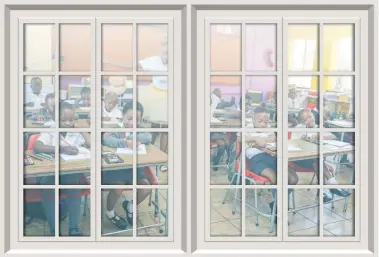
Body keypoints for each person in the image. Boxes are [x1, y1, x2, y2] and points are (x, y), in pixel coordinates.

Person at [33, 102, 91, 236]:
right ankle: (54, 230)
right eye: (63, 120)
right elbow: (37, 147)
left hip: (69, 174)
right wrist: (62, 149)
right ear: (54, 118)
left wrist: (81, 129)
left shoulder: (74, 132)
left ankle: (73, 228)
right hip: (49, 174)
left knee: (74, 186)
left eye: (71, 120)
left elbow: (90, 143)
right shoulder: (50, 130)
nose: (67, 123)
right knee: (48, 187)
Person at [102, 101, 153, 229]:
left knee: (146, 188)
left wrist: (137, 139)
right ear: (122, 116)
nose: (132, 123)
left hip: (134, 169)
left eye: (136, 120)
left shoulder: (139, 130)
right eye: (129, 118)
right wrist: (125, 142)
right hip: (117, 168)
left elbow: (149, 137)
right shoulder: (116, 128)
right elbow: (106, 139)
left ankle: (130, 205)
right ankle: (110, 213)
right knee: (117, 188)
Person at [293, 109, 351, 202]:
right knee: (318, 160)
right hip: (299, 160)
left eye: (310, 116)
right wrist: (303, 137)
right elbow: (294, 143)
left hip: (314, 160)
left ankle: (323, 192)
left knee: (317, 160)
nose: (309, 120)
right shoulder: (298, 128)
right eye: (305, 119)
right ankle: (333, 186)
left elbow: (333, 136)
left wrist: (319, 135)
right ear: (302, 122)